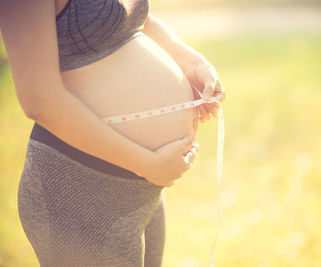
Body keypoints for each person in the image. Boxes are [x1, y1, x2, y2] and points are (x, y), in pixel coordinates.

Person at [0, 0, 226, 266]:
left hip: (144, 186)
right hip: (80, 193)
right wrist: (147, 164)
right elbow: (40, 99)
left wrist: (189, 59)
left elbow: (134, 18)